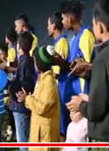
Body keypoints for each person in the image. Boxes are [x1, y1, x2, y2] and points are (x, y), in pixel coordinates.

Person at [66, 0, 109, 148]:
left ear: (100, 26)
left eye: (93, 23)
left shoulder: (104, 57)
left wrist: (80, 104)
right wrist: (89, 72)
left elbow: (96, 110)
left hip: (106, 138)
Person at [17, 45, 60, 150]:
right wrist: (27, 98)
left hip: (45, 135)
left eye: (35, 61)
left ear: (40, 64)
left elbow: (42, 107)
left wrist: (27, 99)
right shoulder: (42, 79)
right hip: (39, 130)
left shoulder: (48, 82)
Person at [60, 0, 95, 95]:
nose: (62, 22)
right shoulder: (75, 38)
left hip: (83, 94)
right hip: (75, 93)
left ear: (70, 19)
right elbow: (74, 65)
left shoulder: (86, 35)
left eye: (63, 18)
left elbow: (84, 69)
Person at [9, 32, 36, 151]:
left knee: (23, 140)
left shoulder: (24, 62)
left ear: (18, 46)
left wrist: (10, 85)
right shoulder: (29, 60)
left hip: (20, 106)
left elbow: (23, 83)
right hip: (25, 105)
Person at [47, 11, 71, 139]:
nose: (47, 28)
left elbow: (56, 73)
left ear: (54, 26)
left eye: (48, 24)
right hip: (61, 88)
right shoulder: (59, 42)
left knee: (63, 128)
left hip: (62, 89)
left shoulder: (61, 43)